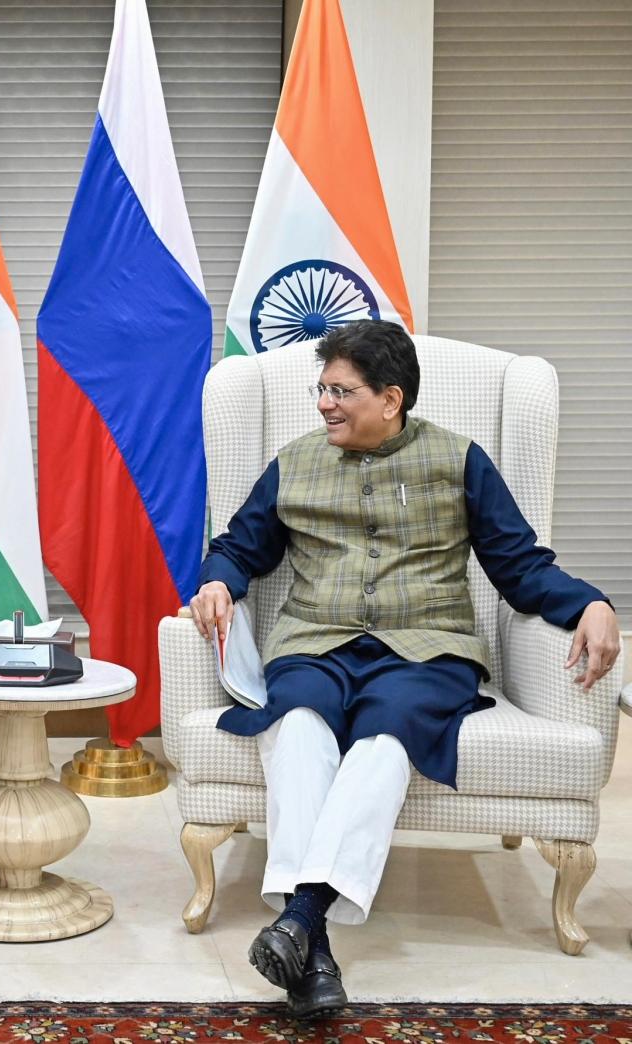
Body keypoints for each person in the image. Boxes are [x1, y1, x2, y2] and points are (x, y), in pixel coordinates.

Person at [189, 319, 620, 1019]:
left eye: (342, 391)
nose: (324, 403)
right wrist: (217, 581)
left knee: (387, 737)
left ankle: (301, 917)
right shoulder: (295, 462)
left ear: (391, 399)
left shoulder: (459, 460)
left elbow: (519, 565)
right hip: (315, 641)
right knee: (297, 726)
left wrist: (591, 603)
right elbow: (239, 546)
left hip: (427, 648)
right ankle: (309, 941)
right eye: (322, 388)